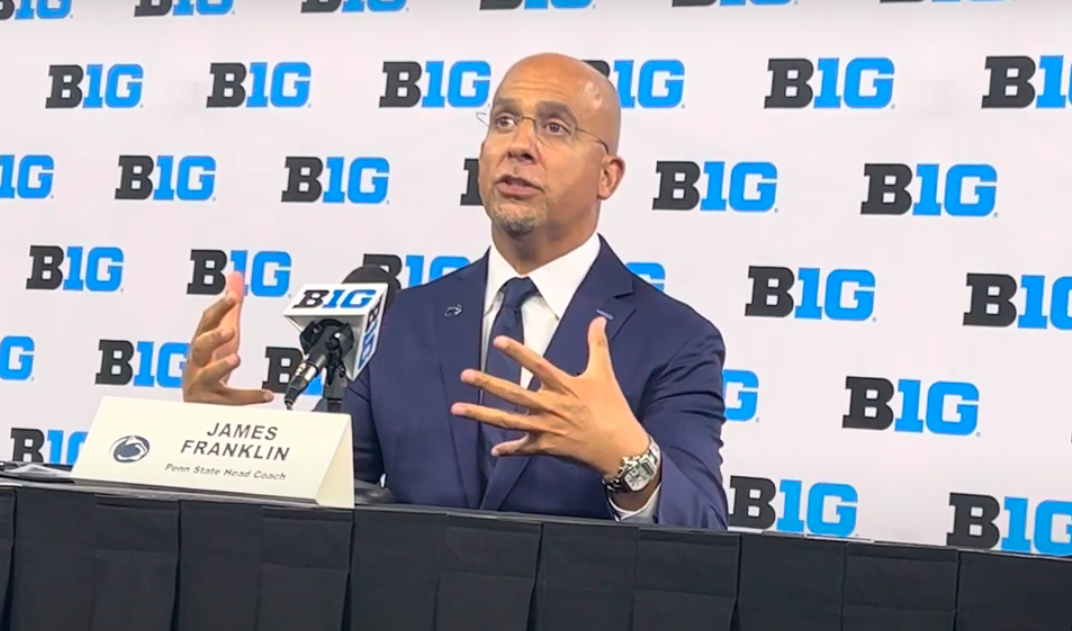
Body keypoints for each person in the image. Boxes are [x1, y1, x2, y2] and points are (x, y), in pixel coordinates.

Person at [181, 53, 729, 530]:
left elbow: (704, 537)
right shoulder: (398, 320)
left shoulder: (675, 339)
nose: (519, 145)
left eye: (555, 128)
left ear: (607, 176)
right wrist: (214, 443)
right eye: (504, 120)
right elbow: (324, 511)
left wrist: (628, 458)